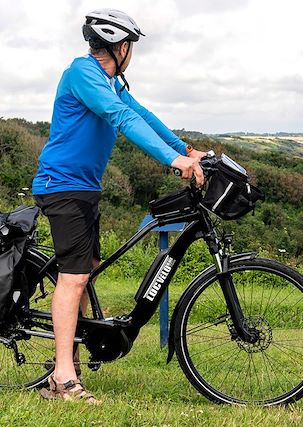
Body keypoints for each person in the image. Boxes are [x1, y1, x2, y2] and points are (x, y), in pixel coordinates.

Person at [31, 9, 205, 403]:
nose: (131, 54)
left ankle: (69, 358)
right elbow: (120, 117)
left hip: (84, 188)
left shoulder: (111, 84)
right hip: (62, 185)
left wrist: (185, 150)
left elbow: (142, 114)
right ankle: (61, 379)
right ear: (120, 46)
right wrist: (173, 162)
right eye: (131, 47)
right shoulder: (82, 73)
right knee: (73, 277)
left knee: (87, 272)